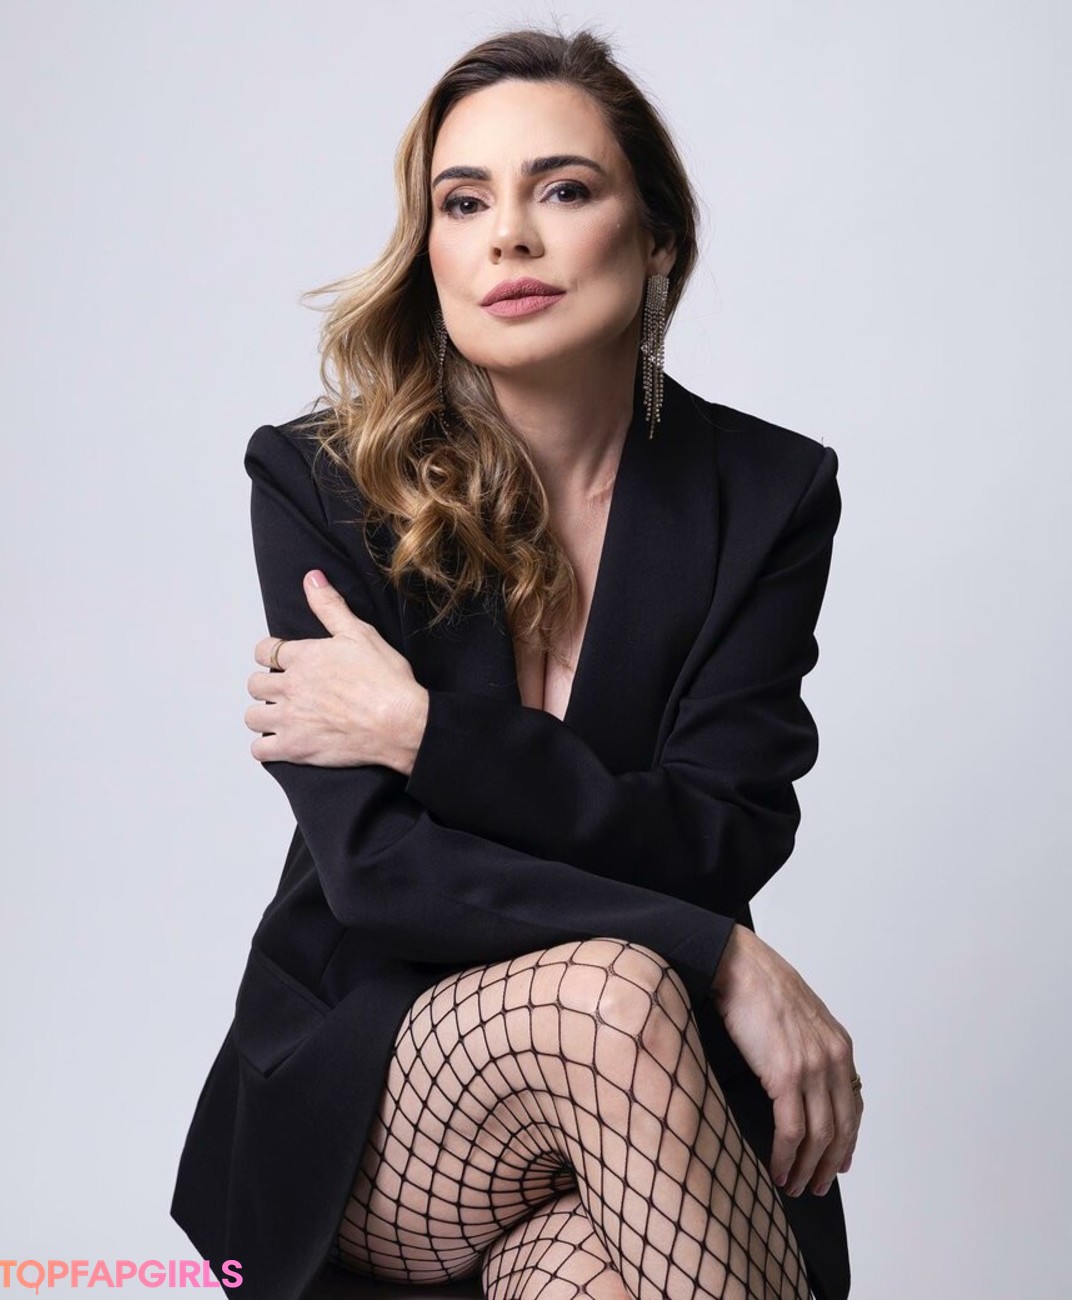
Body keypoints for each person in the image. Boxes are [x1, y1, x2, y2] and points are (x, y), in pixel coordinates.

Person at [170, 26, 862, 1300]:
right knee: (611, 995)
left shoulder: (766, 494)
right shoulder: (323, 484)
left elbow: (716, 835)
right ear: (430, 246)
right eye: (464, 201)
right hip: (380, 1082)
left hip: (648, 1106)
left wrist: (422, 733)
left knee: (587, 1271)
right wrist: (716, 953)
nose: (509, 238)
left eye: (565, 189)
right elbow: (379, 870)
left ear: (657, 238)